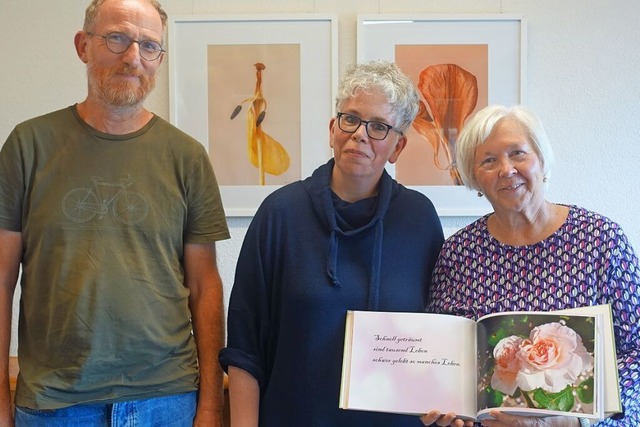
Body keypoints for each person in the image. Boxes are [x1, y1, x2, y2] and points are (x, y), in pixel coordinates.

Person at [0, 0, 230, 425]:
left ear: (159, 58)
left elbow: (205, 286)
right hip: (55, 403)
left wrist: (212, 403)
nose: (133, 58)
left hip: (167, 400)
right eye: (117, 38)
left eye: (149, 46)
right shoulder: (27, 146)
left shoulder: (187, 157)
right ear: (83, 46)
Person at [219, 60, 444, 426]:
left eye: (378, 127)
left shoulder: (419, 219)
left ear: (398, 147)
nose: (360, 134)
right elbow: (245, 348)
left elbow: (439, 334)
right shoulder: (279, 215)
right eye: (350, 119)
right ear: (332, 129)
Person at [420, 105, 639, 427]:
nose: (506, 169)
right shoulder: (459, 253)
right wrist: (443, 408)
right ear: (473, 176)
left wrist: (571, 423)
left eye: (518, 153)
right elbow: (443, 354)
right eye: (489, 160)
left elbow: (636, 349)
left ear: (541, 159)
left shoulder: (600, 240)